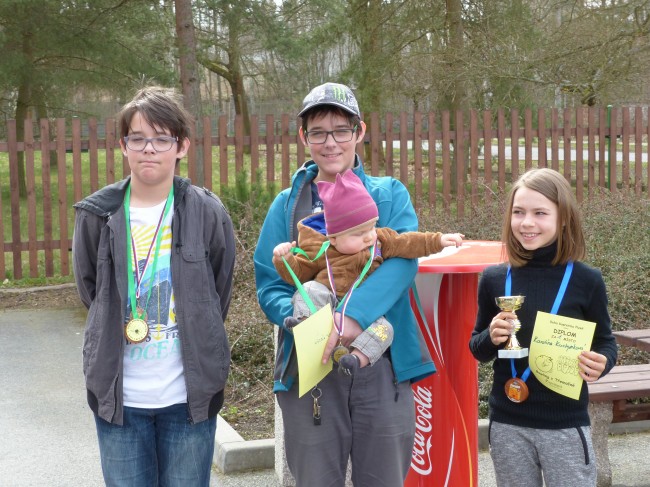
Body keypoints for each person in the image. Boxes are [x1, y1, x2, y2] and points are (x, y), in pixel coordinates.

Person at [254, 82, 438, 486]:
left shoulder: (388, 195)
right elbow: (270, 283)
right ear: (304, 137)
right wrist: (305, 320)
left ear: (360, 131)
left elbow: (402, 262)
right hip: (309, 367)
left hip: (382, 362)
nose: (330, 142)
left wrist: (349, 320)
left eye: (341, 130)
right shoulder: (286, 206)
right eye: (318, 132)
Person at [72, 86, 236, 487]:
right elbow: (90, 292)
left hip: (188, 400)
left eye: (162, 138)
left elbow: (219, 291)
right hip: (120, 402)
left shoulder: (207, 212)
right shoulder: (97, 216)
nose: (150, 149)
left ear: (181, 146)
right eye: (139, 138)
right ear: (123, 145)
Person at [468, 168, 617, 487]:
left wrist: (601, 363)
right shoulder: (495, 278)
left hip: (564, 423)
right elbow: (477, 349)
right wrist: (491, 337)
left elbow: (606, 342)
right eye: (518, 212)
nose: (527, 222)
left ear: (563, 218)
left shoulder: (586, 280)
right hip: (508, 423)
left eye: (540, 213)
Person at [272, 168, 463, 376]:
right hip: (326, 308)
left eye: (371, 227)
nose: (369, 237)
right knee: (309, 289)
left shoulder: (380, 241)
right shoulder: (322, 250)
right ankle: (304, 326)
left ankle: (355, 360)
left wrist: (439, 240)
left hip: (366, 315)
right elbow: (298, 274)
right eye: (359, 233)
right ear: (334, 238)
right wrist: (285, 260)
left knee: (385, 330)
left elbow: (409, 242)